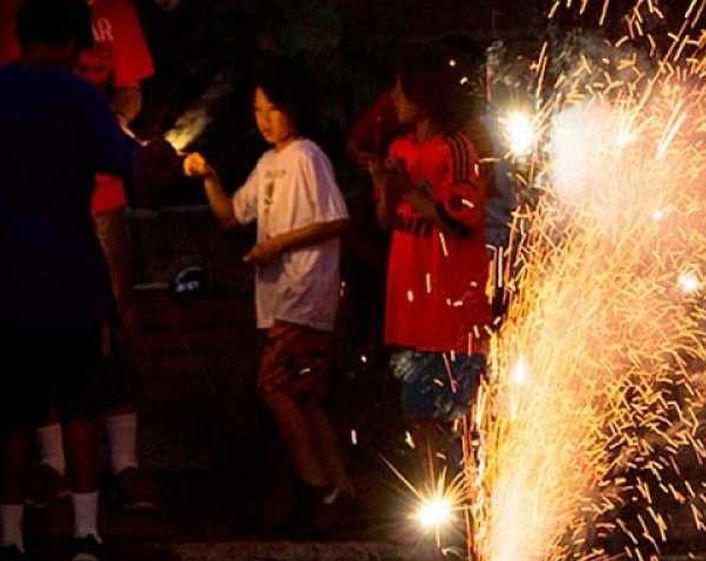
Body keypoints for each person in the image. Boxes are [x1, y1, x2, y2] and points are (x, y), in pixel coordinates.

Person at [0, 0, 137, 561]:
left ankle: (9, 537)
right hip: (70, 268)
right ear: (74, 41)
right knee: (80, 403)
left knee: (12, 411)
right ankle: (85, 534)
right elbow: (124, 160)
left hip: (3, 268)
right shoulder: (79, 96)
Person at [182, 64, 356, 533]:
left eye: (273, 108)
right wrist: (209, 177)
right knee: (304, 394)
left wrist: (277, 245)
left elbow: (336, 220)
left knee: (275, 387)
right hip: (281, 295)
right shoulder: (269, 163)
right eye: (258, 110)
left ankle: (315, 486)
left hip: (304, 292)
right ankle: (339, 489)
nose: (264, 118)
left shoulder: (307, 156)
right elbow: (231, 217)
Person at [368, 53, 492, 461]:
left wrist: (410, 191)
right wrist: (385, 186)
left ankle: (465, 503)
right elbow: (384, 219)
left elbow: (461, 221)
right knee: (416, 416)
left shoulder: (456, 149)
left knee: (456, 421)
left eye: (401, 91)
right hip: (410, 314)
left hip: (449, 315)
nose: (394, 99)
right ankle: (435, 500)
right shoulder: (398, 148)